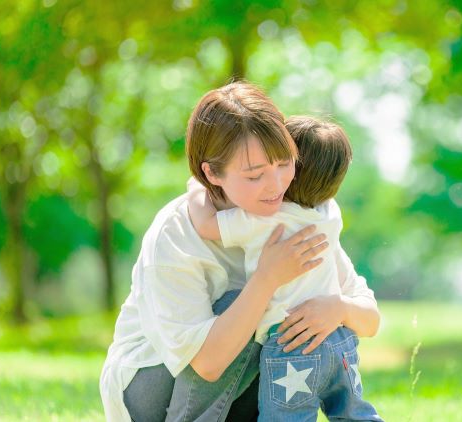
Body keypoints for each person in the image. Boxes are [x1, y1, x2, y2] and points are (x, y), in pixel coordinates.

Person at [99, 81, 381, 421]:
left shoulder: (299, 214)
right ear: (212, 172)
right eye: (254, 175)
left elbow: (368, 317)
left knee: (289, 319)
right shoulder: (175, 233)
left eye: (284, 163)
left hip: (238, 380)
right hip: (153, 388)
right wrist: (267, 278)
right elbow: (208, 363)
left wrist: (337, 307)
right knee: (244, 303)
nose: (276, 185)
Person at [187, 115, 383, 421]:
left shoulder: (263, 220)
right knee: (354, 413)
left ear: (293, 170)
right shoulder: (329, 213)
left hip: (293, 344)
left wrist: (197, 188)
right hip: (339, 338)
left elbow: (206, 225)